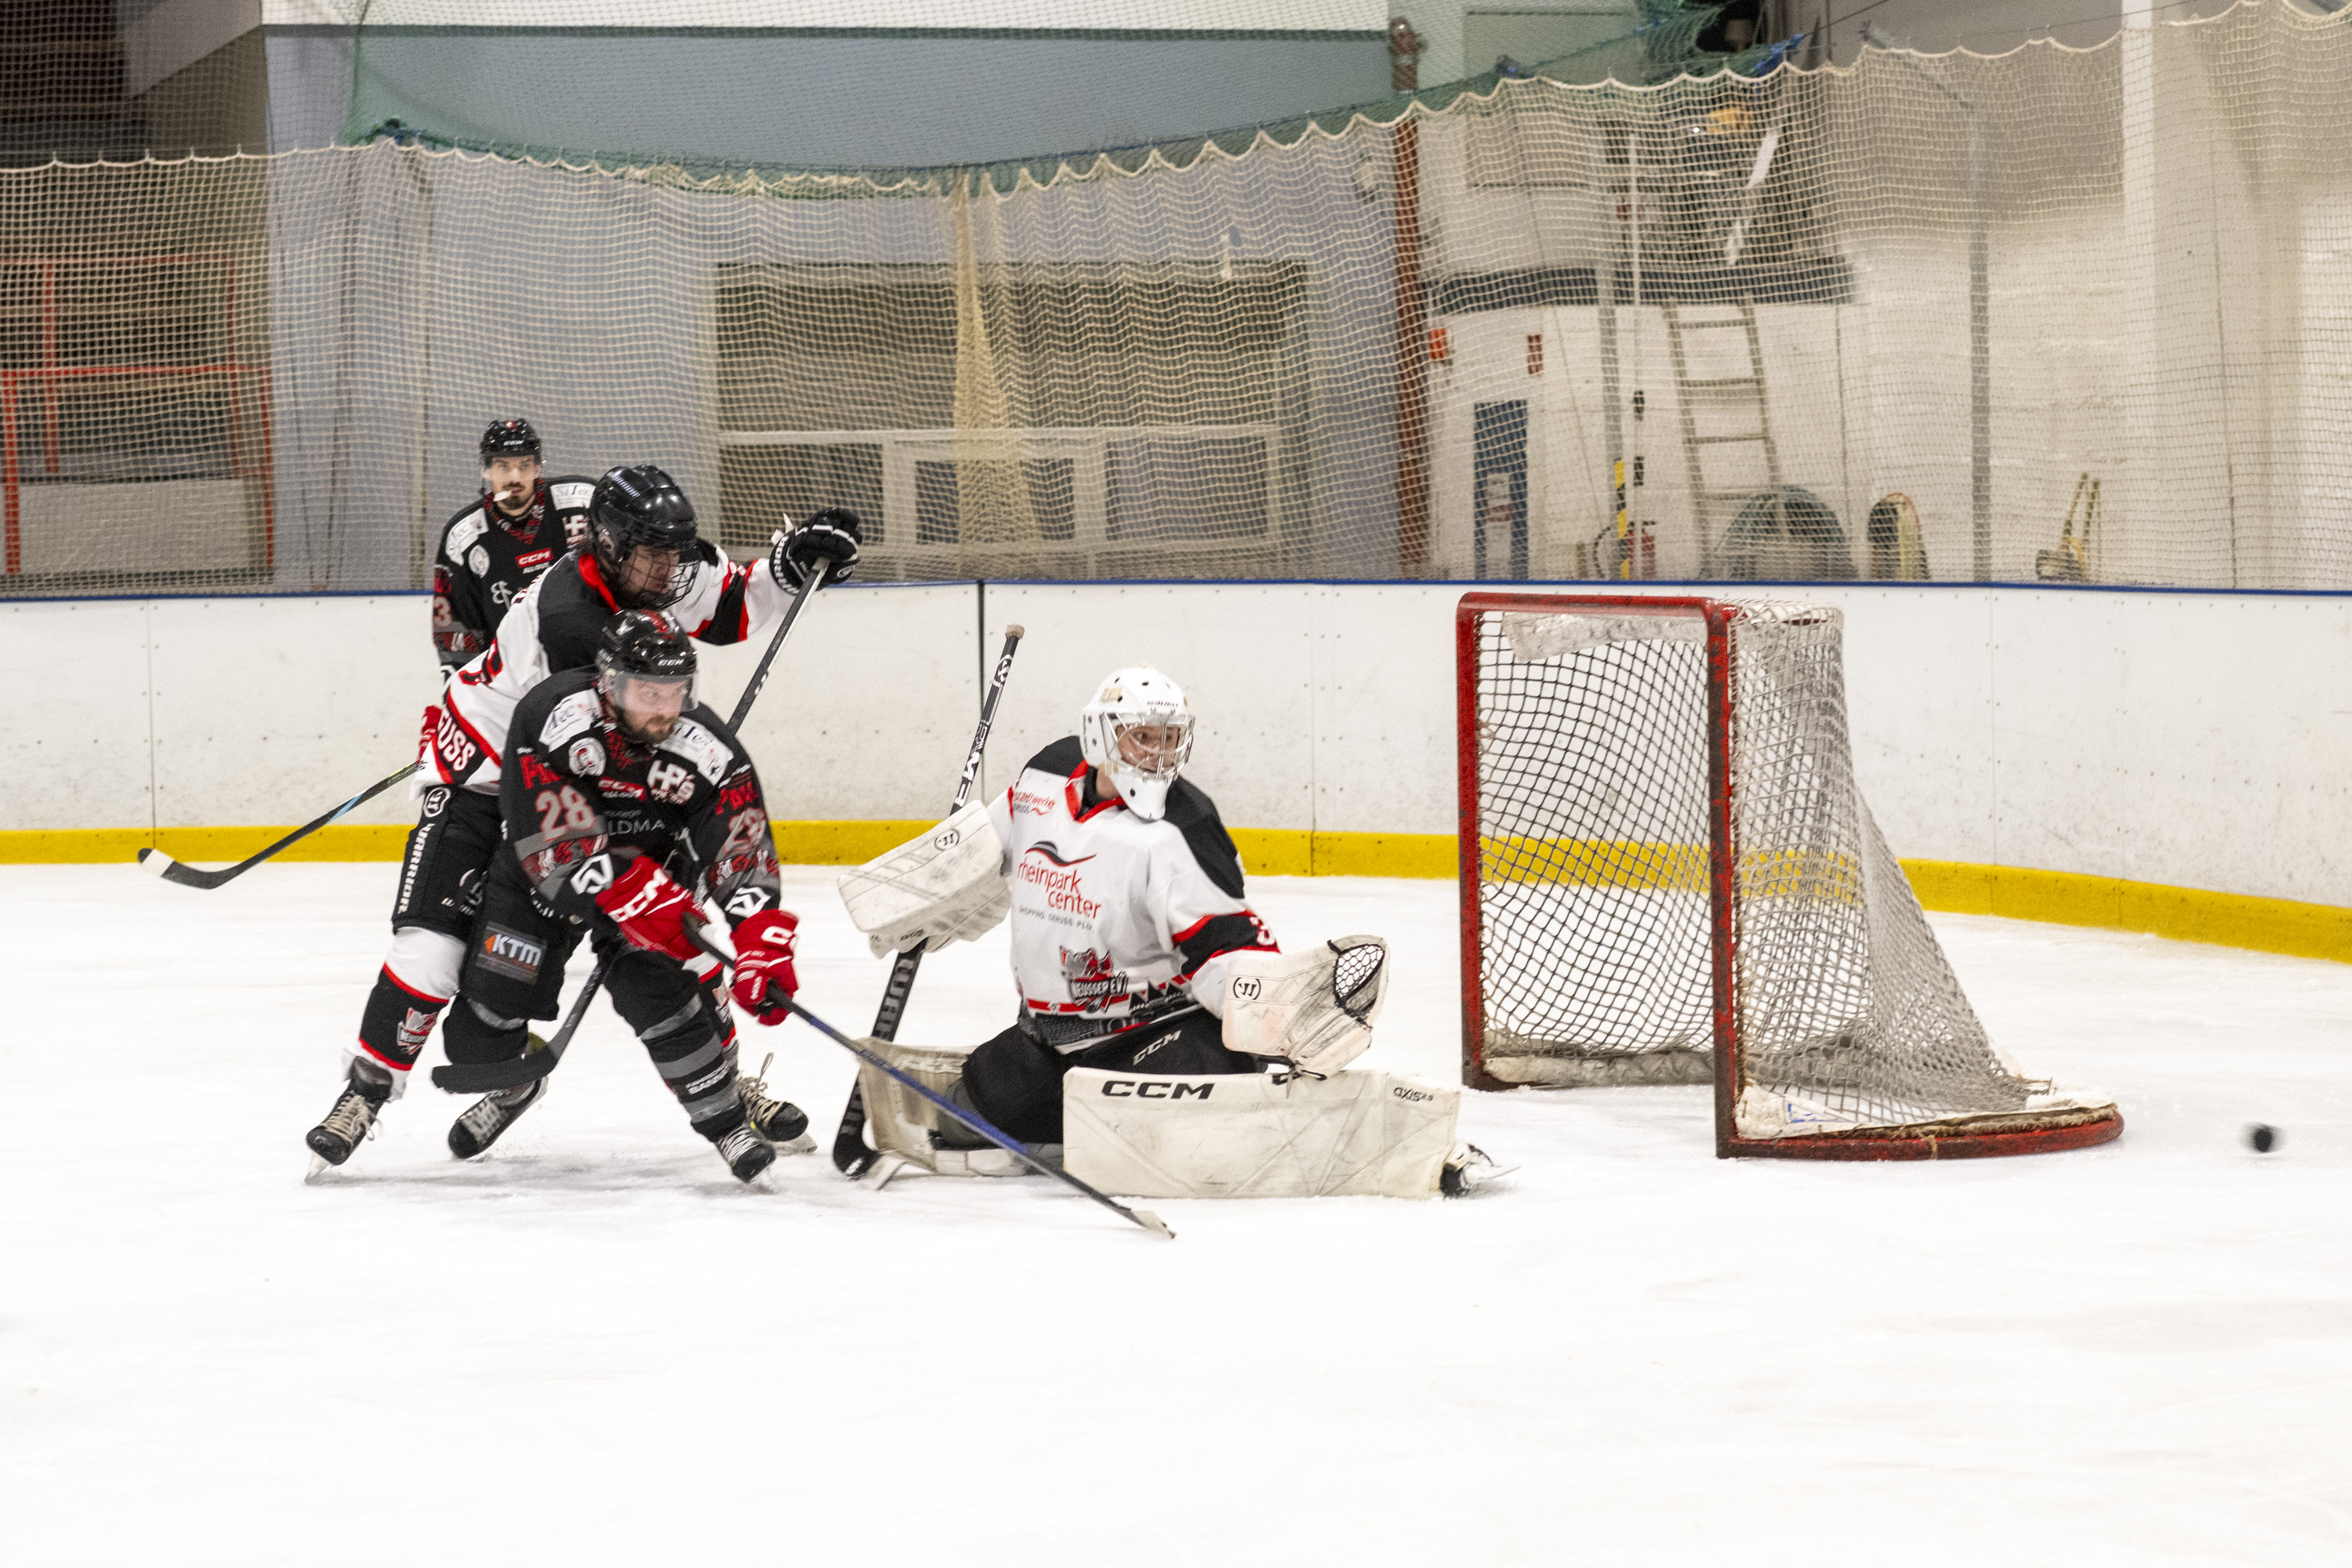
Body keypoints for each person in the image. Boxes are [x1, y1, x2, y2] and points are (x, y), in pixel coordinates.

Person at [306, 464, 862, 1171]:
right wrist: (622, 879)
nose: (668, 571)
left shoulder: (648, 565)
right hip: (490, 774)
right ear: (606, 544)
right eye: (652, 556)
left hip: (591, 773)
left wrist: (789, 566)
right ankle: (368, 1091)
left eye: (674, 556)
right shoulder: (571, 621)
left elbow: (729, 604)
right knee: (433, 947)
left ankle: (726, 1082)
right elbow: (576, 756)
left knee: (676, 937)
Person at [424, 612, 805, 1183]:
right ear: (608, 682)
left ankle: (725, 1121)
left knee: (661, 997)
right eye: (646, 692)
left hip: (655, 876)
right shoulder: (552, 717)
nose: (662, 708)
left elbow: (740, 848)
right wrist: (626, 886)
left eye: (674, 692)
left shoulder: (706, 748)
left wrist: (757, 938)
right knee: (478, 1035)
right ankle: (516, 1081)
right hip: (544, 878)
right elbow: (547, 840)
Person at [936, 666, 1279, 1148]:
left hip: (1153, 1035)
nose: (1159, 753)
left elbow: (1227, 949)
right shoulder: (1045, 776)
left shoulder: (1184, 829)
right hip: (1049, 1036)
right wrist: (931, 888)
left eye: (1170, 737)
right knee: (956, 1124)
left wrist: (1272, 1017)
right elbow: (979, 855)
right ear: (1099, 737)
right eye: (1142, 737)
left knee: (1186, 1117)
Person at [430, 418, 595, 670]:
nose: (515, 478)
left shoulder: (582, 502)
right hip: (512, 676)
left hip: (584, 663)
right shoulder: (463, 538)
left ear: (538, 468)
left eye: (525, 465)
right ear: (486, 470)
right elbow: (457, 633)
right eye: (503, 466)